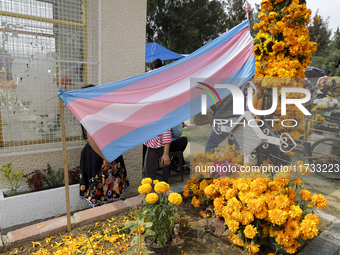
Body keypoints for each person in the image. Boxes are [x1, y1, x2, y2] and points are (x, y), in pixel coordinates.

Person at [79, 85, 129, 207]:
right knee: (99, 183)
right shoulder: (89, 115)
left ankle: (111, 206)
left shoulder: (101, 112)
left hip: (109, 150)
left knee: (111, 181)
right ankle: (102, 209)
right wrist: (106, 158)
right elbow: (92, 141)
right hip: (98, 153)